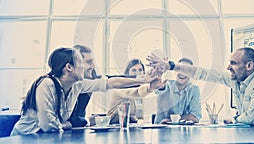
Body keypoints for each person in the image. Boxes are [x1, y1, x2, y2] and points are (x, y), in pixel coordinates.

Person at [11, 47, 162, 135]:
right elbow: (48, 126)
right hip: (25, 138)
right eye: (82, 62)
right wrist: (67, 124)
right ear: (69, 67)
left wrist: (142, 80)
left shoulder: (78, 85)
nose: (86, 66)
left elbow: (109, 83)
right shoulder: (46, 85)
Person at [147, 47, 254, 128]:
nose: (228, 67)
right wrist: (171, 66)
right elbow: (204, 73)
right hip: (251, 136)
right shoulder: (236, 79)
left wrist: (235, 119)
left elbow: (251, 119)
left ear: (249, 66)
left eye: (233, 63)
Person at [154, 58, 201, 124]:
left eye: (186, 70)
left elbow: (195, 116)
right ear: (175, 71)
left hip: (185, 132)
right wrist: (158, 83)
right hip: (163, 130)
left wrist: (171, 120)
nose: (182, 73)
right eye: (180, 69)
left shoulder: (194, 89)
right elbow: (160, 89)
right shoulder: (167, 85)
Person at [68, 45, 99, 127]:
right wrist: (87, 121)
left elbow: (78, 117)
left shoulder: (90, 79)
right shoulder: (68, 83)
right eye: (89, 62)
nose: (93, 66)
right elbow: (70, 120)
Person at [108, 59, 148, 124]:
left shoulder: (140, 92)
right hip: (115, 128)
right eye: (134, 70)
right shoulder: (121, 90)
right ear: (128, 73)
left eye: (140, 70)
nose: (138, 73)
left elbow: (140, 117)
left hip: (133, 130)